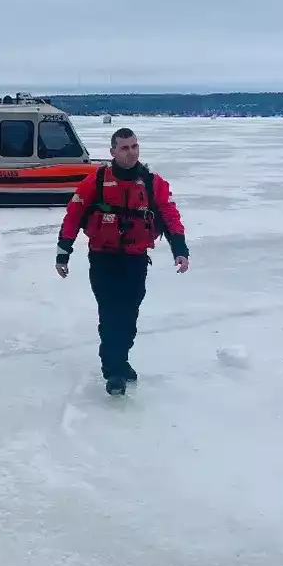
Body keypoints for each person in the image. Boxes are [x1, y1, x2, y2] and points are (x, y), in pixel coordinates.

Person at [55, 127, 189, 396]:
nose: (131, 152)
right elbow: (74, 215)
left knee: (129, 315)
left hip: (135, 259)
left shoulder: (152, 183)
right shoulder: (95, 182)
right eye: (125, 148)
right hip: (103, 258)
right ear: (113, 152)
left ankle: (121, 359)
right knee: (110, 312)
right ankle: (113, 370)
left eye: (134, 146)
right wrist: (63, 251)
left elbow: (170, 215)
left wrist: (180, 249)